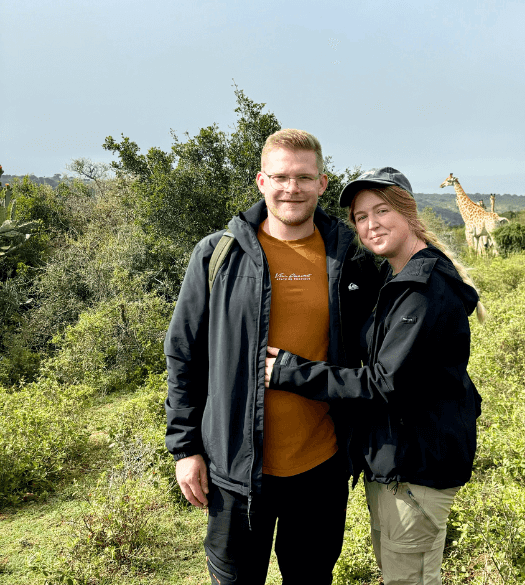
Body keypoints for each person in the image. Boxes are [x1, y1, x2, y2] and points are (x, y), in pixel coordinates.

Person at [164, 129, 380, 585]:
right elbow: (184, 354)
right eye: (281, 177)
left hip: (321, 468)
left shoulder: (350, 259)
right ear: (261, 181)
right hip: (235, 471)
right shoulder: (218, 254)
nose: (292, 188)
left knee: (311, 577)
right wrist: (185, 448)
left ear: (322, 184)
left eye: (304, 177)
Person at [265, 167, 484, 585]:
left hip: (416, 469)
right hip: (393, 462)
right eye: (361, 217)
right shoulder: (395, 277)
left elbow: (385, 383)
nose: (371, 225)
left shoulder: (424, 289)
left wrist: (290, 371)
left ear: (409, 212)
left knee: (409, 580)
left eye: (381, 210)